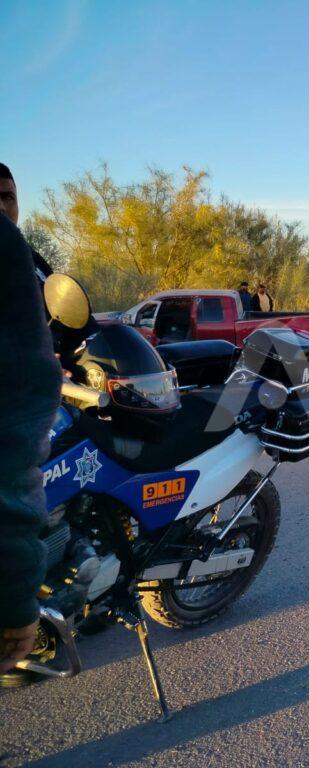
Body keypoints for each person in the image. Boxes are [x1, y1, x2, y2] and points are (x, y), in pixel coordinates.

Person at [0, 184, 63, 674]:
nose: (2, 207)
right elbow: (10, 440)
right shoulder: (7, 248)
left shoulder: (30, 257)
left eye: (7, 195)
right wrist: (15, 597)